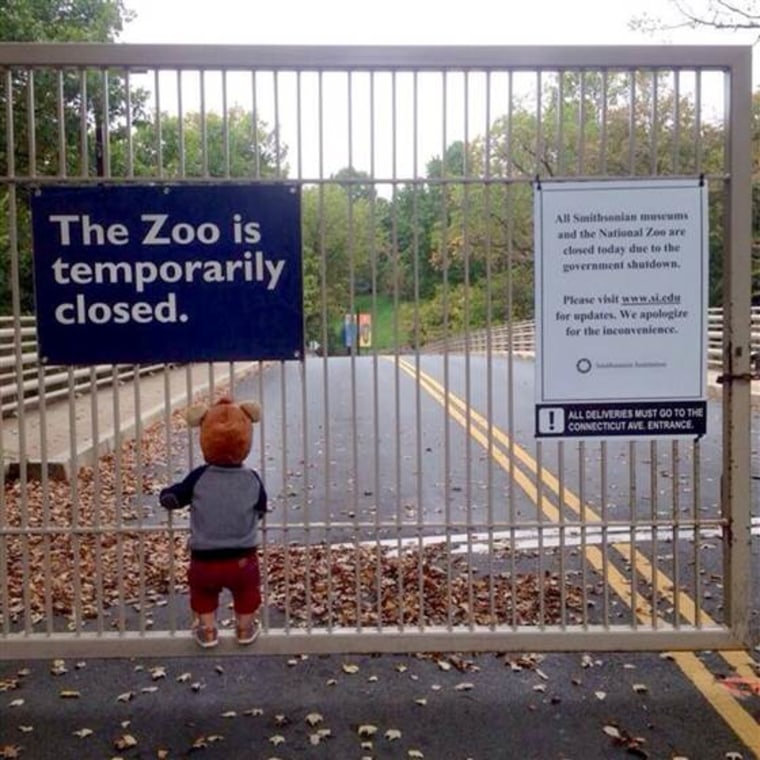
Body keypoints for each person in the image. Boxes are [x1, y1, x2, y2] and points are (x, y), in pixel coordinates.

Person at [160, 397, 267, 649]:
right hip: (243, 557)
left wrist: (166, 497)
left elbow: (174, 497)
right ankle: (244, 628)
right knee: (247, 593)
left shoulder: (199, 477)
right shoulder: (252, 478)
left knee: (203, 594)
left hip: (204, 558)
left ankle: (207, 631)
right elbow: (261, 507)